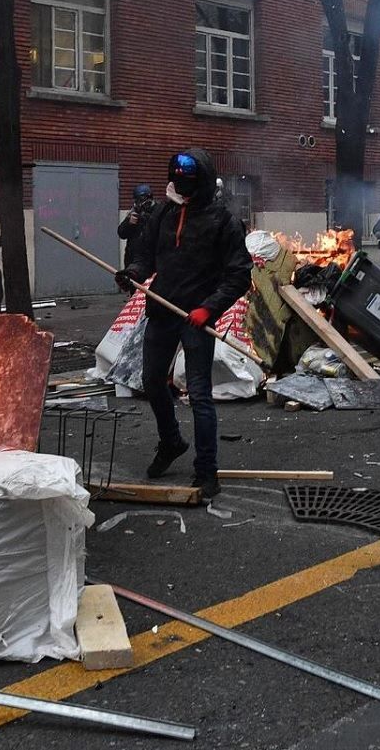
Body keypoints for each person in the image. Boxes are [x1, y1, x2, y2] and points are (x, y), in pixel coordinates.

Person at [114, 149, 252, 500]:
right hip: (161, 311)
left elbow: (238, 275)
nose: (180, 187)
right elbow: (146, 255)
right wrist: (133, 274)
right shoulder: (163, 212)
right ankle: (171, 441)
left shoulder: (223, 221)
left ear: (202, 181)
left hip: (196, 318)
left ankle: (206, 471)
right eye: (177, 179)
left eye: (188, 182)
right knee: (151, 382)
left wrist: (210, 308)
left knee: (200, 395)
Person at [116, 184, 161, 277]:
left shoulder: (158, 212)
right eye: (139, 200)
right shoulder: (134, 212)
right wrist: (129, 223)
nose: (142, 203)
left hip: (151, 259)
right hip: (133, 258)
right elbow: (121, 233)